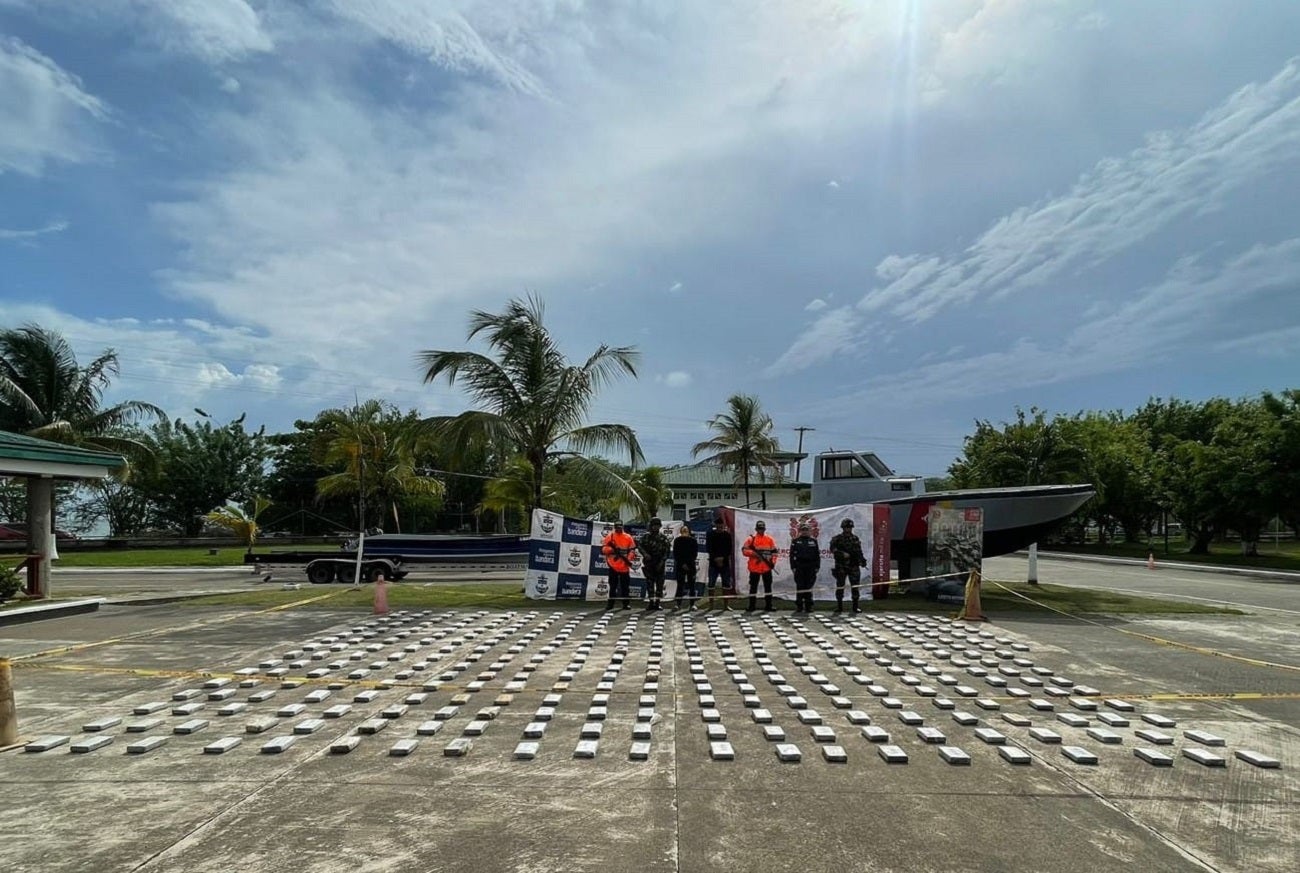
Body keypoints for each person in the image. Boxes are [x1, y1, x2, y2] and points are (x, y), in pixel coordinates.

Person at [829, 518, 867, 614]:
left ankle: (855, 607)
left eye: (850, 527)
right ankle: (839, 607)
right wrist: (842, 554)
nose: (848, 529)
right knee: (840, 586)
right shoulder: (837, 539)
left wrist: (862, 560)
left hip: (853, 566)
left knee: (855, 587)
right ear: (843, 528)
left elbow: (859, 551)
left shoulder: (855, 538)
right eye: (846, 527)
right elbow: (833, 550)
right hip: (841, 566)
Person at [741, 519, 779, 612]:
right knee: (753, 588)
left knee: (768, 587)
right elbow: (744, 551)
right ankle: (751, 606)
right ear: (756, 529)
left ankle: (769, 606)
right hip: (754, 568)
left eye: (762, 529)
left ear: (765, 529)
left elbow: (774, 553)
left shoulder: (769, 539)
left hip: (767, 567)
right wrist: (754, 554)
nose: (761, 530)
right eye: (759, 529)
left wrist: (772, 563)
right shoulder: (751, 539)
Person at [637, 516, 672, 611]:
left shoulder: (663, 538)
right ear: (651, 526)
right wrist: (645, 554)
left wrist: (662, 561)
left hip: (659, 563)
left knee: (660, 585)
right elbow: (639, 546)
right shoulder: (646, 536)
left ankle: (657, 603)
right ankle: (651, 603)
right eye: (654, 525)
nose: (655, 527)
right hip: (649, 563)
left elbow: (667, 551)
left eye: (657, 525)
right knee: (650, 584)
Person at [601, 521, 637, 609]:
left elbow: (632, 550)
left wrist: (628, 559)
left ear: (623, 527)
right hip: (613, 565)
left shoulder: (628, 537)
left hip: (624, 566)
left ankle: (626, 604)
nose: (619, 528)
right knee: (612, 586)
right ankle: (610, 604)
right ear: (615, 527)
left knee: (625, 587)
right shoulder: (610, 536)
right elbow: (604, 549)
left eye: (620, 526)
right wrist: (612, 550)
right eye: (617, 526)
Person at [788, 522, 821, 614]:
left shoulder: (813, 541)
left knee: (809, 587)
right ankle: (799, 606)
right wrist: (793, 567)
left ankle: (808, 606)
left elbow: (817, 555)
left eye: (806, 530)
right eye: (803, 530)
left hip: (810, 567)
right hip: (799, 566)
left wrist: (817, 566)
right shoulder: (795, 541)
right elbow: (791, 556)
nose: (805, 532)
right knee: (800, 586)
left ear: (809, 531)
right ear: (800, 531)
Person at [704, 515, 733, 610]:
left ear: (724, 526)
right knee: (711, 584)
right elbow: (708, 548)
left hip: (724, 563)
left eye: (721, 526)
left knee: (726, 584)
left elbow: (729, 549)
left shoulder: (727, 535)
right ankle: (711, 605)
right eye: (718, 526)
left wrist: (722, 558)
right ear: (715, 525)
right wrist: (716, 558)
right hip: (713, 563)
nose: (720, 527)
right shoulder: (710, 534)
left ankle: (726, 605)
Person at [671, 525, 700, 609]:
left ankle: (692, 604)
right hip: (680, 565)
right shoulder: (677, 540)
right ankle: (678, 604)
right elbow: (676, 553)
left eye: (686, 530)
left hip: (691, 565)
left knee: (692, 586)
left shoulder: (693, 541)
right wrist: (682, 564)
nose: (684, 531)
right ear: (680, 531)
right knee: (680, 585)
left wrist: (688, 564)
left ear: (689, 531)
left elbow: (695, 554)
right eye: (683, 530)